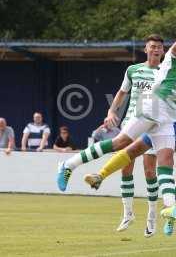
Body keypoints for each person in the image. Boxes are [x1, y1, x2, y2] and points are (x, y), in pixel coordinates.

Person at [58, 20, 176, 239]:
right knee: (120, 143)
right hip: (155, 104)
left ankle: (169, 206)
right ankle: (68, 164)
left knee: (166, 160)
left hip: (167, 114)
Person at [57, 34, 164, 237]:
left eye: (159, 47)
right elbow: (122, 92)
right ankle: (128, 213)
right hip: (132, 122)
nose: (156, 49)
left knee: (150, 172)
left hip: (153, 126)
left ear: (163, 51)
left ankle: (151, 217)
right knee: (126, 168)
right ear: (146, 49)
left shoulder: (165, 71)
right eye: (152, 46)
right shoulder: (133, 70)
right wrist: (111, 111)